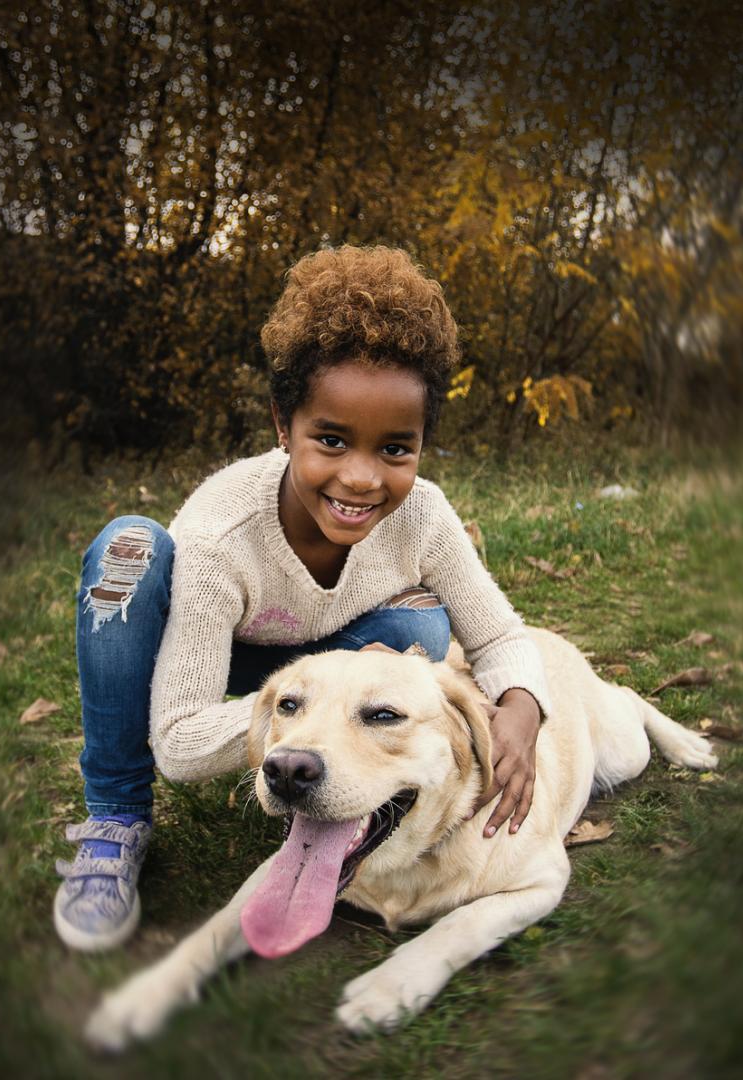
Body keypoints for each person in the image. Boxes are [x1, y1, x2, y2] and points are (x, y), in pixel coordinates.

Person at [55, 245, 552, 951]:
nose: (360, 477)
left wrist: (523, 708)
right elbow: (181, 742)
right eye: (330, 439)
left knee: (427, 633)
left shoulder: (425, 516)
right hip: (215, 662)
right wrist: (299, 724)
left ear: (421, 445)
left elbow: (499, 638)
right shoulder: (223, 530)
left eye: (395, 450)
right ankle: (115, 815)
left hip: (320, 670)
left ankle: (347, 750)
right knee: (127, 548)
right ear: (282, 426)